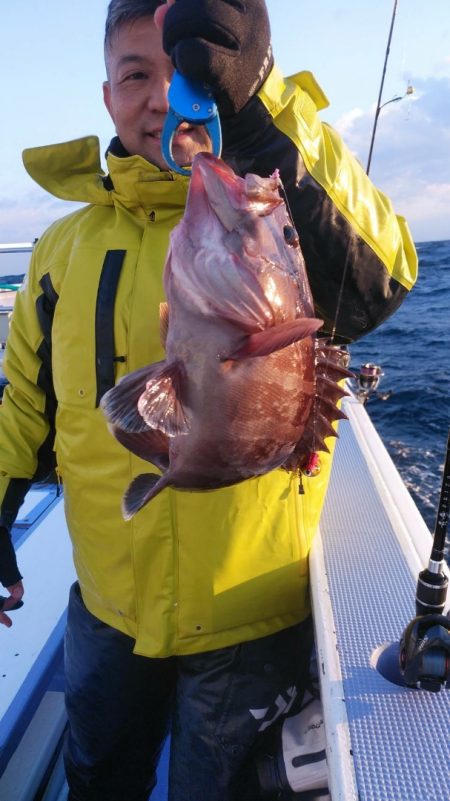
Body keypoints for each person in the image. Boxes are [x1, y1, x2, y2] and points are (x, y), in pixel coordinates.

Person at [0, 1, 417, 799]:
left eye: (185, 74)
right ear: (105, 97)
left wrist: (262, 101)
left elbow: (382, 276)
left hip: (249, 613)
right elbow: (26, 403)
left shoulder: (278, 206)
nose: (161, 97)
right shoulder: (62, 246)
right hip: (108, 606)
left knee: (217, 786)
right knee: (98, 772)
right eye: (135, 75)